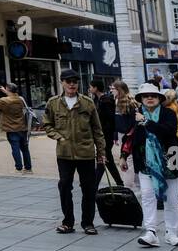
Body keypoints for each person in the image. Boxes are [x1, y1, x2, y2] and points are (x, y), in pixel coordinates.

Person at [42, 68, 106, 235]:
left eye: (75, 82)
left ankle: (88, 223)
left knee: (88, 188)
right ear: (62, 83)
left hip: (85, 153)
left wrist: (101, 153)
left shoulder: (87, 103)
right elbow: (47, 124)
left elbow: (97, 130)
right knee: (64, 186)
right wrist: (58, 137)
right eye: (68, 81)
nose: (72, 84)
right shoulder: (53, 102)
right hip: (64, 153)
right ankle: (68, 222)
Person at [127, 83, 178, 248]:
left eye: (153, 96)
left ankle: (171, 233)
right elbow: (129, 136)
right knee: (147, 195)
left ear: (160, 99)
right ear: (141, 99)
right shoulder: (136, 115)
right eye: (145, 96)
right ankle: (150, 232)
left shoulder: (168, 113)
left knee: (172, 198)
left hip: (171, 157)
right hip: (145, 160)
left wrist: (145, 122)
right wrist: (124, 155)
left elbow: (167, 131)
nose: (149, 98)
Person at [0, 82, 31, 173]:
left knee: (15, 148)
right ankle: (28, 168)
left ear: (8, 90)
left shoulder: (4, 101)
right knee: (25, 149)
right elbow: (13, 96)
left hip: (11, 129)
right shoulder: (20, 99)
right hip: (22, 127)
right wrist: (6, 91)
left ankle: (18, 168)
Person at [90, 77, 119, 180]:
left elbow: (110, 119)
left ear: (96, 88)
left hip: (106, 135)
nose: (89, 89)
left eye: (90, 87)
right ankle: (119, 182)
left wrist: (106, 134)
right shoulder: (96, 100)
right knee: (107, 159)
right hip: (100, 135)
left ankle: (94, 184)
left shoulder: (106, 100)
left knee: (102, 158)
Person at [112, 80, 139, 189]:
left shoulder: (130, 101)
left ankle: (128, 185)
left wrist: (130, 132)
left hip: (128, 134)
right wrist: (115, 135)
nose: (111, 90)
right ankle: (133, 183)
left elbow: (134, 119)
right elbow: (116, 120)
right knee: (127, 157)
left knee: (128, 158)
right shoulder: (116, 100)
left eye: (113, 88)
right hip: (121, 133)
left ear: (119, 89)